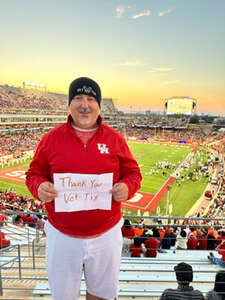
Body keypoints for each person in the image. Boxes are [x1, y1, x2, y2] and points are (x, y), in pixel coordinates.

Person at [26, 77, 142, 300]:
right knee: (63, 296)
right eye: (78, 98)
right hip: (62, 235)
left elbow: (134, 174)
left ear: (99, 106)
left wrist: (127, 187)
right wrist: (39, 186)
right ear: (69, 104)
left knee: (102, 295)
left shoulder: (115, 139)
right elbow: (33, 174)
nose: (84, 104)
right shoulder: (51, 138)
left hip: (106, 235)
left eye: (90, 99)